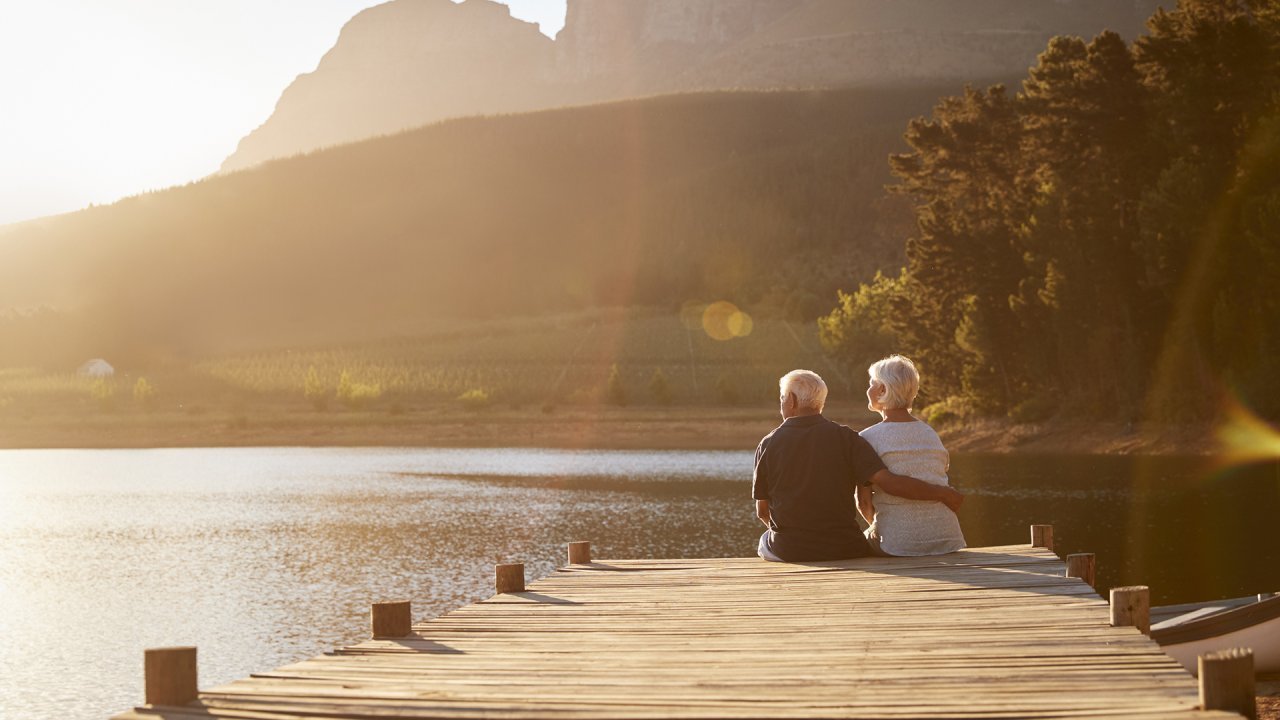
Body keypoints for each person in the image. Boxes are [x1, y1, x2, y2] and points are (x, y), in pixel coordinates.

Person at [753, 369, 962, 562]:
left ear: (791, 401)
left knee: (764, 542)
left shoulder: (768, 444)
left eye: (782, 398)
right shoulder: (848, 438)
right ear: (821, 403)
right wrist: (943, 493)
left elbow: (763, 512)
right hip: (845, 547)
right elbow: (885, 484)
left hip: (790, 549)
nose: (781, 403)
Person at [858, 355, 966, 556]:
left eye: (872, 384)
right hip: (947, 539)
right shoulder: (930, 433)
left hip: (898, 545)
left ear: (882, 390)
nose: (868, 390)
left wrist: (885, 529)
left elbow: (864, 503)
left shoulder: (866, 438)